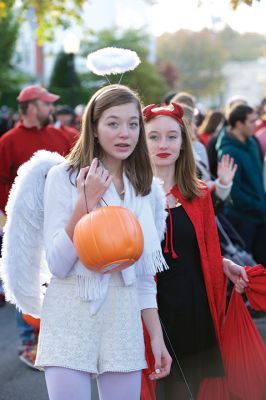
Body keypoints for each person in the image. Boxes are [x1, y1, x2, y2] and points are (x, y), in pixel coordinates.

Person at [27, 84, 171, 400]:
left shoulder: (144, 187)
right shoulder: (63, 177)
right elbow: (59, 264)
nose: (125, 133)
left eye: (133, 124)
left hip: (124, 315)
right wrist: (84, 204)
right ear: (93, 127)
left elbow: (145, 276)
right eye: (113, 123)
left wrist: (157, 338)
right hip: (71, 307)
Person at [142, 102, 248, 399]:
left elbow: (202, 247)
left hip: (194, 308)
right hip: (151, 309)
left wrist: (223, 262)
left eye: (172, 137)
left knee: (190, 389)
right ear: (141, 141)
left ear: (183, 143)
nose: (163, 144)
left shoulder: (198, 193)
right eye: (153, 136)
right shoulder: (130, 194)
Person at [0, 85, 78, 369]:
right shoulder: (8, 141)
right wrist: (10, 213)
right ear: (32, 107)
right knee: (25, 276)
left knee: (58, 276)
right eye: (47, 105)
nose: (51, 110)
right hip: (24, 222)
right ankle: (29, 340)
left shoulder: (62, 135)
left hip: (60, 220)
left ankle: (56, 336)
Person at [217, 103, 266, 266]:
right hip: (242, 221)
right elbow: (233, 193)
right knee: (247, 270)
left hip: (259, 216)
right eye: (252, 121)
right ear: (239, 124)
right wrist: (259, 205)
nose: (256, 124)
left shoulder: (252, 142)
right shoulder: (228, 151)